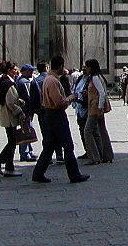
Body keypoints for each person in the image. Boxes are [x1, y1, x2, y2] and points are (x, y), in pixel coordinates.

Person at [31, 55, 89, 184]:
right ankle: (74, 175)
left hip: (50, 115)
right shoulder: (52, 81)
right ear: (61, 66)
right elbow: (59, 103)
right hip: (56, 115)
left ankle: (38, 173)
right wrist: (71, 97)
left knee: (49, 146)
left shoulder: (48, 79)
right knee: (68, 146)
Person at [0, 61, 24, 178]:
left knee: (12, 140)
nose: (16, 70)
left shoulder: (3, 81)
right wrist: (20, 111)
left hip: (4, 113)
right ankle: (0, 162)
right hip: (8, 115)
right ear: (9, 70)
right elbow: (10, 102)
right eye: (14, 69)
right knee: (12, 140)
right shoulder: (8, 83)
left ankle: (9, 167)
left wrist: (17, 101)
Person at [82, 58, 114, 164]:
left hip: (95, 108)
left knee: (87, 131)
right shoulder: (97, 77)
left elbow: (102, 93)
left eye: (87, 66)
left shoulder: (95, 78)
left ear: (91, 67)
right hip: (95, 107)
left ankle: (95, 157)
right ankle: (106, 155)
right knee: (101, 130)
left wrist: (100, 108)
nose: (85, 68)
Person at [32, 61, 64, 164]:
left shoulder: (35, 81)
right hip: (53, 109)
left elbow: (34, 97)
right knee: (58, 132)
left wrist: (36, 110)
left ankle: (47, 157)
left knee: (46, 133)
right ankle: (59, 155)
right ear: (46, 68)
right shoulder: (53, 79)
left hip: (42, 111)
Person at [15, 65, 37, 162]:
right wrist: (31, 111)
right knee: (26, 130)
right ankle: (25, 153)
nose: (31, 73)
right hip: (26, 111)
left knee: (27, 129)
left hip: (22, 110)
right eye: (30, 71)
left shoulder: (19, 81)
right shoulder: (24, 82)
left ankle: (29, 151)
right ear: (24, 72)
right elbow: (29, 98)